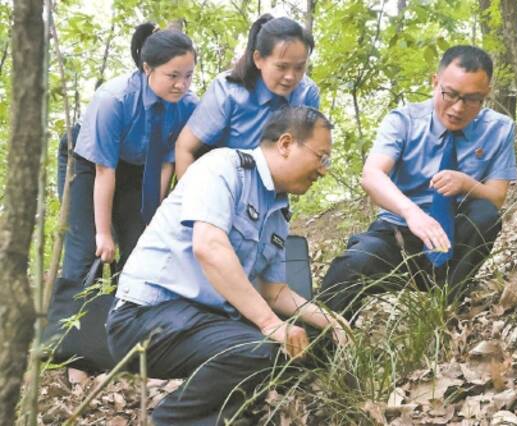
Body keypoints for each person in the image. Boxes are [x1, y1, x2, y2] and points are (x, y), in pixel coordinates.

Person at [107, 106, 347, 426]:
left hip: (201, 322)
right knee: (260, 349)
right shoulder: (223, 168)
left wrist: (330, 321)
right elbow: (209, 247)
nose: (323, 170)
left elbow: (274, 292)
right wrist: (269, 324)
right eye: (321, 157)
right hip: (147, 315)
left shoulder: (278, 210)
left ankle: (231, 415)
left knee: (307, 342)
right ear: (287, 144)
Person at [319, 45, 517, 319]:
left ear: (487, 94)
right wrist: (412, 213)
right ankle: (318, 347)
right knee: (351, 265)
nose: (458, 108)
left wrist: (465, 183)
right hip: (398, 234)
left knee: (485, 214)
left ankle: (447, 302)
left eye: (473, 99)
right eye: (450, 94)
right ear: (435, 82)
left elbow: (496, 196)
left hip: (453, 237)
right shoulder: (404, 121)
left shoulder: (499, 128)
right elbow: (372, 175)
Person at [45, 23, 198, 376]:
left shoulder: (187, 104)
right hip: (89, 164)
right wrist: (103, 232)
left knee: (139, 249)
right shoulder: (113, 99)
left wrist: (153, 217)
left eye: (188, 75)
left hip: (138, 168)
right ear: (147, 69)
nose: (181, 84)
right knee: (87, 252)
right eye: (172, 75)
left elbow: (166, 163)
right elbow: (103, 172)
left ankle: (120, 347)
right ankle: (75, 358)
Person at [174, 14, 319, 179]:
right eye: (282, 67)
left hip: (268, 185)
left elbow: (301, 153)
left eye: (299, 68)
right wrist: (191, 201)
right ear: (258, 59)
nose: (291, 77)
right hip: (216, 180)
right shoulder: (228, 91)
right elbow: (184, 148)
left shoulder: (306, 94)